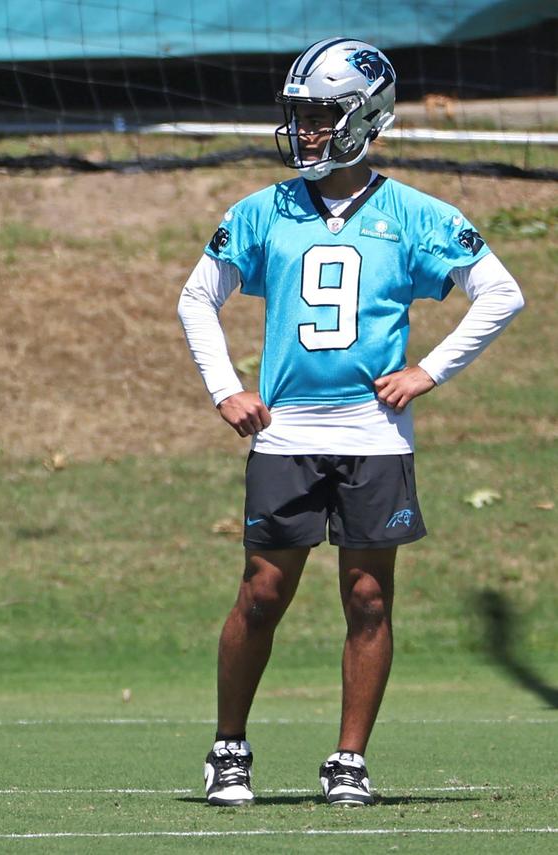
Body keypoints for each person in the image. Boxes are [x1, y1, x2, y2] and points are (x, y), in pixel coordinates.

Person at [177, 38, 523, 807]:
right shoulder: (263, 209)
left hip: (372, 435)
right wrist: (224, 387)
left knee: (368, 598)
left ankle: (348, 760)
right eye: (297, 116)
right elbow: (197, 295)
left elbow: (500, 292)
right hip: (289, 432)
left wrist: (430, 369)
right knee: (261, 593)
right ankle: (229, 746)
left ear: (366, 118)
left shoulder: (414, 213)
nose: (302, 131)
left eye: (319, 116)